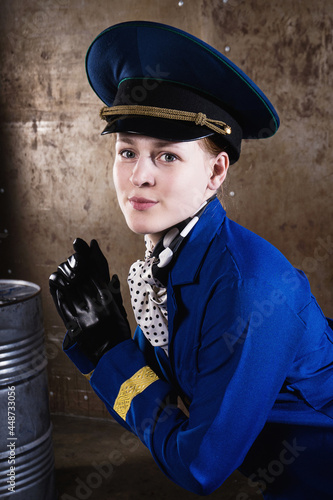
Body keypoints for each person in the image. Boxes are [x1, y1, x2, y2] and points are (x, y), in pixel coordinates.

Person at [49, 21, 333, 499]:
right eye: (126, 151)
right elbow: (171, 383)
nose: (138, 176)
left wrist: (108, 349)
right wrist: (102, 337)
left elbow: (200, 465)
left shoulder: (247, 289)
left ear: (215, 172)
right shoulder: (171, 260)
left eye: (166, 157)